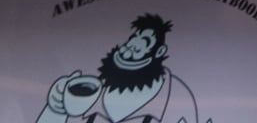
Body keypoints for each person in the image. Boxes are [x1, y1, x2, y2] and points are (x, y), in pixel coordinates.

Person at [35, 12, 200, 123]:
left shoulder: (176, 97)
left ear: (159, 51)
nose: (133, 45)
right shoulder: (92, 91)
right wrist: (56, 109)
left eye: (145, 41)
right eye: (134, 37)